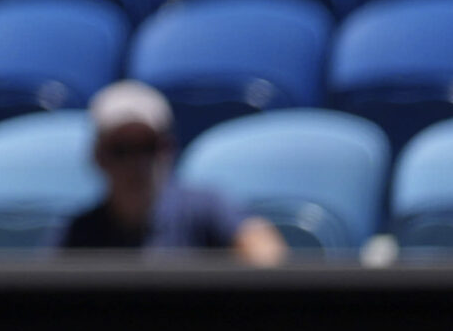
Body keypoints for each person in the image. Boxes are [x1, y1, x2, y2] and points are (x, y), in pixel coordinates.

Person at [62, 81, 286, 262]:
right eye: (121, 150)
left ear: (167, 149)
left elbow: (267, 253)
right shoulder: (79, 233)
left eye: (147, 147)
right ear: (98, 157)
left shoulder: (206, 207)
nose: (136, 163)